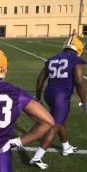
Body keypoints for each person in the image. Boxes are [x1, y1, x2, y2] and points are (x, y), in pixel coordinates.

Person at [30, 34, 86, 169]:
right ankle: (37, 157)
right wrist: (84, 101)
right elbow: (79, 82)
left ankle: (66, 147)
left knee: (61, 119)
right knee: (54, 124)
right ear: (78, 48)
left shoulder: (52, 59)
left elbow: (40, 80)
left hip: (49, 94)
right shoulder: (75, 59)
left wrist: (38, 97)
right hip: (61, 96)